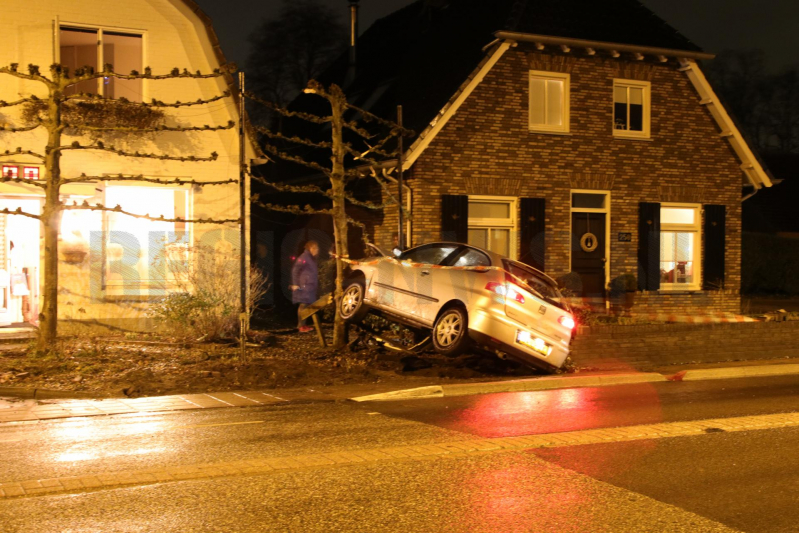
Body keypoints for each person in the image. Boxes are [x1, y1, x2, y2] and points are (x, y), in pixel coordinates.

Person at [290, 240, 319, 332]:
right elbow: (295, 270)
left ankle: (303, 325)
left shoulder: (311, 258)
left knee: (307, 305)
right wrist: (295, 283)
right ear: (311, 248)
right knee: (303, 304)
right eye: (316, 248)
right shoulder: (304, 257)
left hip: (309, 286)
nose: (317, 250)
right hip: (304, 286)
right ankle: (300, 326)